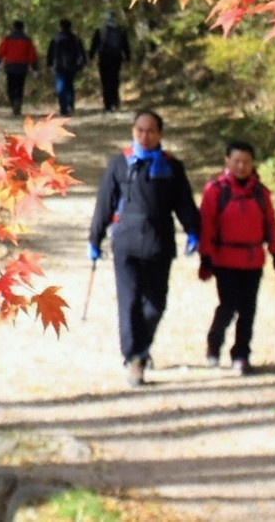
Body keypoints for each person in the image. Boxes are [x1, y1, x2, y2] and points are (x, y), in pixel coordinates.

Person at [87, 110, 200, 387]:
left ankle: (142, 346)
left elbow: (184, 203)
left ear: (160, 134)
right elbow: (104, 204)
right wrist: (94, 239)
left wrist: (193, 231)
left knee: (156, 305)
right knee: (130, 302)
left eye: (150, 131)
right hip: (126, 242)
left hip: (159, 243)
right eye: (139, 130)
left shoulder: (172, 167)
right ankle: (135, 357)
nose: (145, 136)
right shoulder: (120, 164)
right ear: (132, 131)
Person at [197, 141, 275, 376]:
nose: (242, 166)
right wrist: (206, 258)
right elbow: (207, 225)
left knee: (248, 309)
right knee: (228, 305)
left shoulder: (260, 192)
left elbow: (271, 224)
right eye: (236, 161)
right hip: (224, 260)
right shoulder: (216, 190)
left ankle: (241, 354)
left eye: (246, 162)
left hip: (253, 260)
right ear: (227, 161)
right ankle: (214, 343)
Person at [88, 10, 132, 112]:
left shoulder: (100, 30)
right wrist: (128, 58)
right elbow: (125, 45)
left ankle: (108, 104)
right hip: (117, 58)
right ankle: (115, 102)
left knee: (105, 81)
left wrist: (91, 57)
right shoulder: (121, 30)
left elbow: (94, 45)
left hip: (104, 59)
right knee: (115, 80)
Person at [0, 20, 38, 116]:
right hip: (22, 66)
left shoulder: (8, 39)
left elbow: (1, 51)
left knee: (11, 85)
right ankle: (18, 102)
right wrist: (34, 67)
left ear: (14, 27)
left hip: (10, 66)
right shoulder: (27, 40)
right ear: (23, 28)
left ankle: (13, 102)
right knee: (20, 86)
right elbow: (32, 55)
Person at [46, 18, 87, 116]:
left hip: (59, 66)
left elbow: (50, 53)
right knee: (70, 86)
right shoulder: (75, 38)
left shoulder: (56, 38)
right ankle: (70, 105)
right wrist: (81, 65)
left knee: (60, 86)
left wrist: (49, 64)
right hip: (72, 66)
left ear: (61, 26)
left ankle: (63, 108)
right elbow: (81, 53)